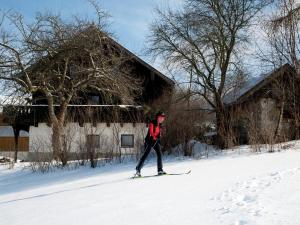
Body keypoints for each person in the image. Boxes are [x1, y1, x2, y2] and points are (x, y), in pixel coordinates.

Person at [135, 112, 166, 177]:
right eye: (161, 117)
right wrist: (155, 137)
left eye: (163, 118)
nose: (162, 119)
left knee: (159, 154)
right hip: (149, 141)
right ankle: (138, 170)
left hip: (155, 142)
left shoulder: (160, 125)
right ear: (157, 117)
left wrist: (159, 137)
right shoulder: (152, 123)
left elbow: (159, 134)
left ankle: (160, 170)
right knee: (145, 155)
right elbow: (151, 132)